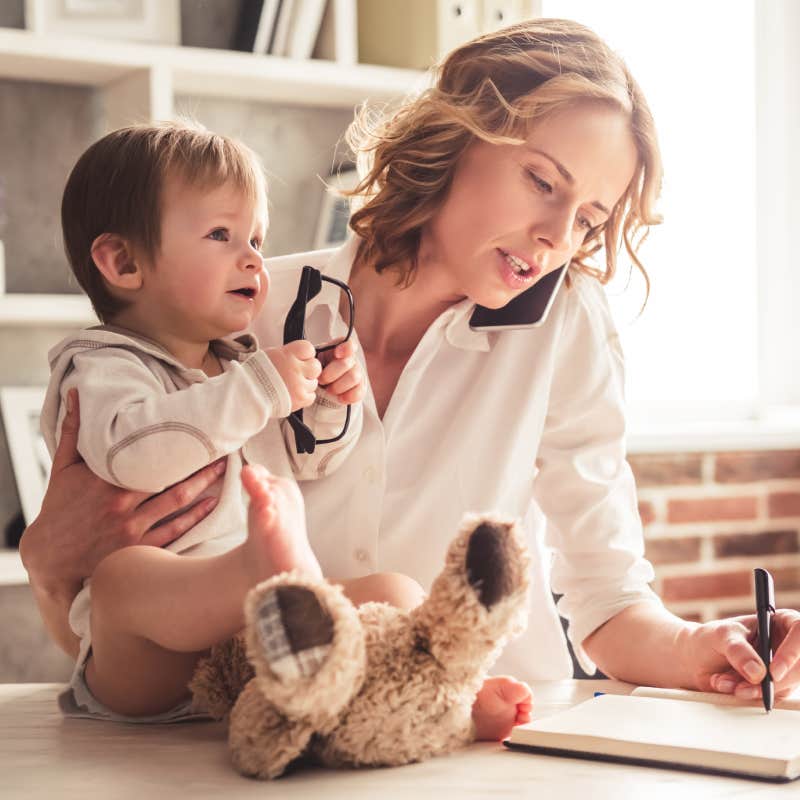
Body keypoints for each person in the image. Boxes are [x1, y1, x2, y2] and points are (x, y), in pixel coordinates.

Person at [22, 18, 800, 713]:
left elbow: (608, 597)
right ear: (456, 134)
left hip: (484, 747)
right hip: (267, 750)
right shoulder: (234, 311)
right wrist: (48, 567)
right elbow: (110, 632)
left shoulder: (566, 327)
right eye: (541, 182)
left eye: (589, 218)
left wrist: (697, 648)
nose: (556, 236)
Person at [37, 120, 532, 737]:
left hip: (257, 645)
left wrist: (329, 407)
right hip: (146, 660)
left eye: (256, 238)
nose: (252, 258)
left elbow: (309, 465)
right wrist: (259, 390)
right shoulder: (105, 362)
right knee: (122, 581)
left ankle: (445, 694)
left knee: (392, 594)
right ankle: (256, 574)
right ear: (123, 261)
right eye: (221, 235)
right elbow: (132, 457)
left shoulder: (239, 362)